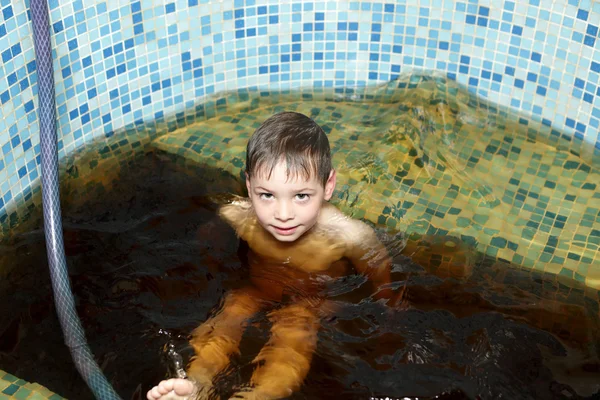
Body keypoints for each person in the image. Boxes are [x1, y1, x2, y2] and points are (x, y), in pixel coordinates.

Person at [147, 112, 396, 400]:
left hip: (311, 300)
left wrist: (387, 313)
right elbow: (209, 243)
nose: (283, 214)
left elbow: (381, 275)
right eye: (267, 195)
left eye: (301, 196)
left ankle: (257, 396)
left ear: (327, 187)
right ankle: (196, 384)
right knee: (231, 311)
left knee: (295, 333)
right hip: (256, 290)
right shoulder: (239, 215)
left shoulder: (348, 235)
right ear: (250, 186)